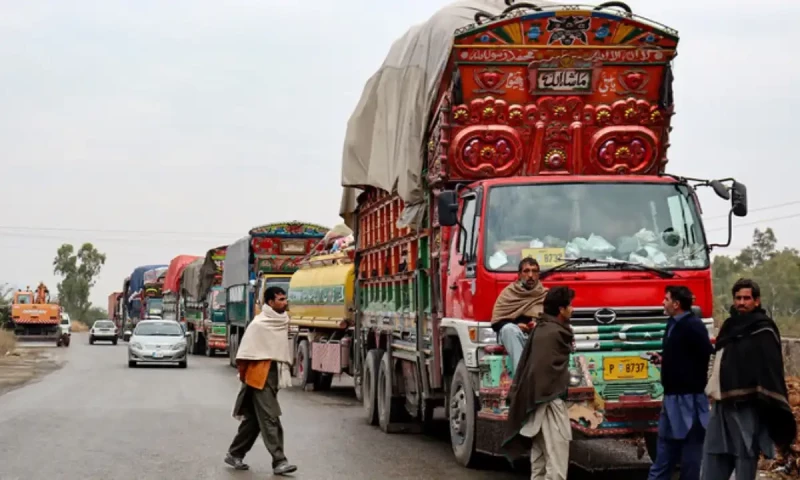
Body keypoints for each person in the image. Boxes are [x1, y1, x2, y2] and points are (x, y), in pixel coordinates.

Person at [702, 278, 796, 480]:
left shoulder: (764, 329)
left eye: (746, 298)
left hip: (748, 408)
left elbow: (771, 370)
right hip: (721, 406)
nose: (742, 302)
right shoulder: (729, 326)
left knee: (744, 457)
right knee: (713, 456)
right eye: (738, 298)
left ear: (757, 301)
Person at [502, 286, 576, 480]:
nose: (573, 309)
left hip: (538, 401)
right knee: (556, 460)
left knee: (540, 460)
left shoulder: (544, 329)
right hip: (548, 401)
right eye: (571, 305)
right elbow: (543, 371)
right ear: (561, 309)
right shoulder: (552, 333)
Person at [224, 286, 297, 475]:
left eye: (284, 299)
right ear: (270, 302)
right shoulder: (259, 323)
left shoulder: (282, 320)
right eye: (280, 299)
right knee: (270, 417)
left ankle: (235, 453)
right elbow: (245, 354)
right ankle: (279, 461)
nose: (284, 302)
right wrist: (246, 377)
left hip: (274, 373)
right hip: (259, 375)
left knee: (256, 420)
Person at [646, 286, 713, 480]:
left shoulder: (693, 325)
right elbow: (679, 354)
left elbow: (704, 353)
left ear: (676, 304)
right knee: (664, 452)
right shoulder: (671, 324)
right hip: (671, 398)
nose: (662, 302)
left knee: (691, 453)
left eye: (666, 299)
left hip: (689, 400)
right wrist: (664, 359)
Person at [491, 257, 549, 374]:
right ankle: (522, 376)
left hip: (536, 337)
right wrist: (517, 325)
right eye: (526, 271)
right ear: (519, 274)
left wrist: (538, 324)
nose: (531, 275)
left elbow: (553, 319)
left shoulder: (545, 294)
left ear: (538, 275)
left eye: (534, 271)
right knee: (509, 329)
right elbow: (496, 323)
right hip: (513, 336)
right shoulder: (508, 293)